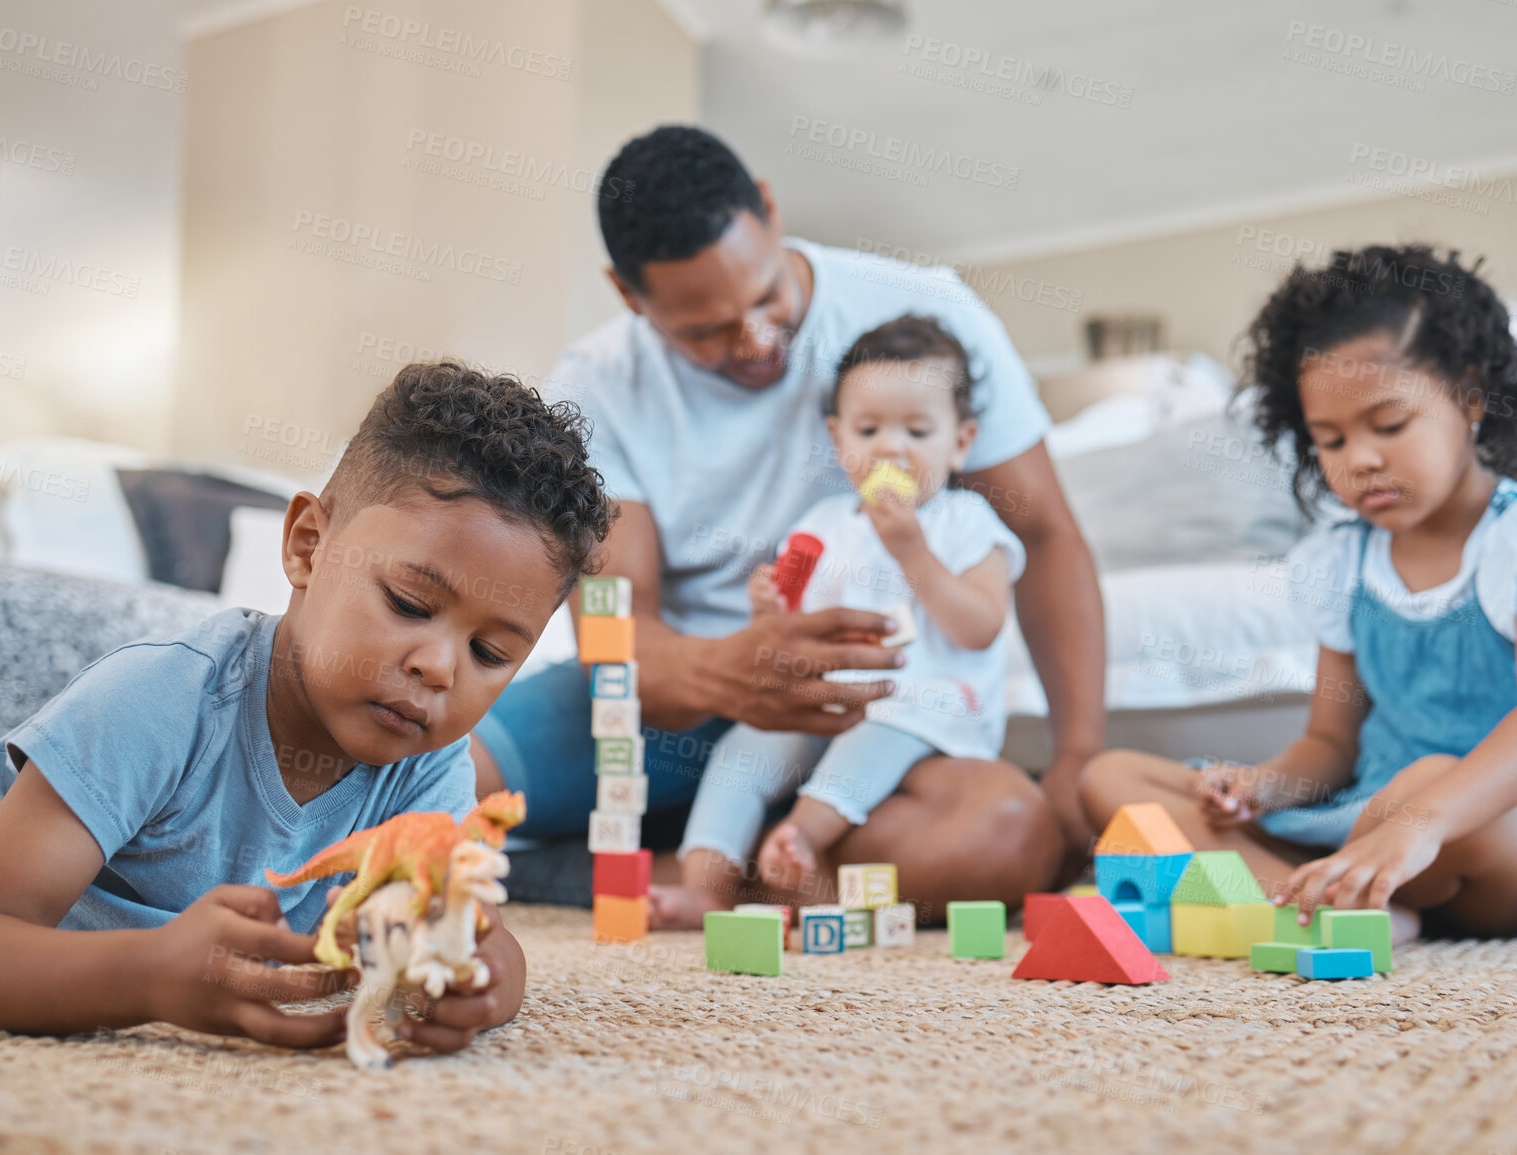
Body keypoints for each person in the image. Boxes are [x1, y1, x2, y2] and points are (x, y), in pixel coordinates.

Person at [472, 126, 1105, 907]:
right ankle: (692, 860)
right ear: (629, 295)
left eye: (766, 295)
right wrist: (734, 667)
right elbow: (612, 632)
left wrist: (1077, 752)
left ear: (769, 211)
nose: (756, 340)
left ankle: (657, 870)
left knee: (1008, 835)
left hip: (879, 714)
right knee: (432, 777)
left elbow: (1041, 534)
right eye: (704, 331)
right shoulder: (597, 385)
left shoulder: (929, 316)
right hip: (673, 699)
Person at [0, 363, 613, 1046]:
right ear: (308, 546)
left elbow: (475, 929)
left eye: (490, 653)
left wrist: (476, 979)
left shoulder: (426, 765)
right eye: (409, 604)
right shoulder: (160, 699)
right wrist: (145, 976)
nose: (438, 667)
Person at [1082, 244, 1517, 943]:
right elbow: (1330, 742)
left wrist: (1422, 820)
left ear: (1470, 395)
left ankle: (1328, 887)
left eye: (1388, 426)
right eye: (1328, 440)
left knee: (1425, 781)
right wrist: (1262, 784)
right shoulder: (1341, 561)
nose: (1358, 459)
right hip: (1375, 820)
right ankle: (1302, 904)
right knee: (1112, 775)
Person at [652, 316, 1024, 925]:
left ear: (961, 441)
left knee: (878, 732)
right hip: (829, 700)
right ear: (837, 436)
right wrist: (768, 609)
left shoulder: (966, 523)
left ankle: (799, 840)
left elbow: (979, 626)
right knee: (745, 746)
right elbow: (791, 627)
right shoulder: (824, 522)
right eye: (869, 429)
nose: (890, 447)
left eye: (918, 430)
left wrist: (912, 549)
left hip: (927, 710)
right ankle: (705, 887)